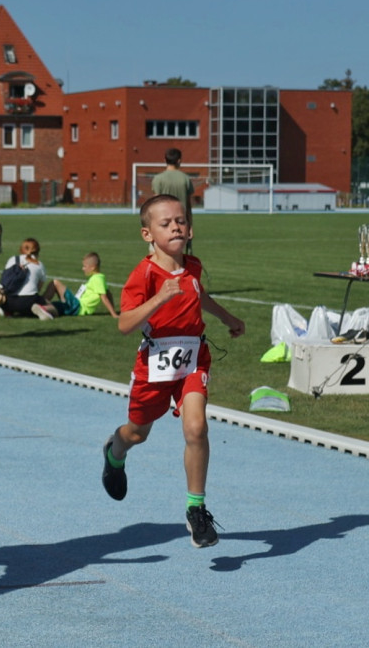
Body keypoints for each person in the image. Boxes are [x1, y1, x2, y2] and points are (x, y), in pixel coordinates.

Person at [101, 194, 245, 548]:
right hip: (154, 364)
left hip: (194, 358)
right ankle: (113, 454)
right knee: (137, 433)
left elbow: (198, 294)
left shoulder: (193, 266)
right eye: (165, 224)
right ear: (147, 234)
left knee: (196, 427)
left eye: (180, 221)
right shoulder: (144, 274)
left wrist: (228, 318)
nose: (176, 227)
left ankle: (196, 510)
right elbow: (124, 324)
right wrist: (160, 298)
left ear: (190, 227)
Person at [39, 252, 119, 319]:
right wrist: (113, 311)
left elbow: (104, 297)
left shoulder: (97, 279)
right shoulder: (99, 278)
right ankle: (42, 307)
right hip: (77, 305)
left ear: (92, 267)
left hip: (78, 307)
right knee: (58, 304)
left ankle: (41, 305)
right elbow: (109, 294)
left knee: (55, 283)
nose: (83, 268)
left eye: (85, 266)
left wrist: (113, 314)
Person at [0, 238, 52, 320]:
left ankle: (6, 309)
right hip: (28, 302)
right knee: (52, 306)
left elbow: (4, 281)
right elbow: (38, 288)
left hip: (8, 301)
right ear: (37, 250)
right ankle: (40, 309)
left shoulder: (13, 259)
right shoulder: (39, 264)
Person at [151, 148, 193, 225]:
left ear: (165, 160)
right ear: (179, 161)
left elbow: (156, 202)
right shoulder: (185, 178)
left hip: (164, 220)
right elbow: (188, 204)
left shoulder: (158, 179)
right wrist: (190, 224)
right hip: (181, 220)